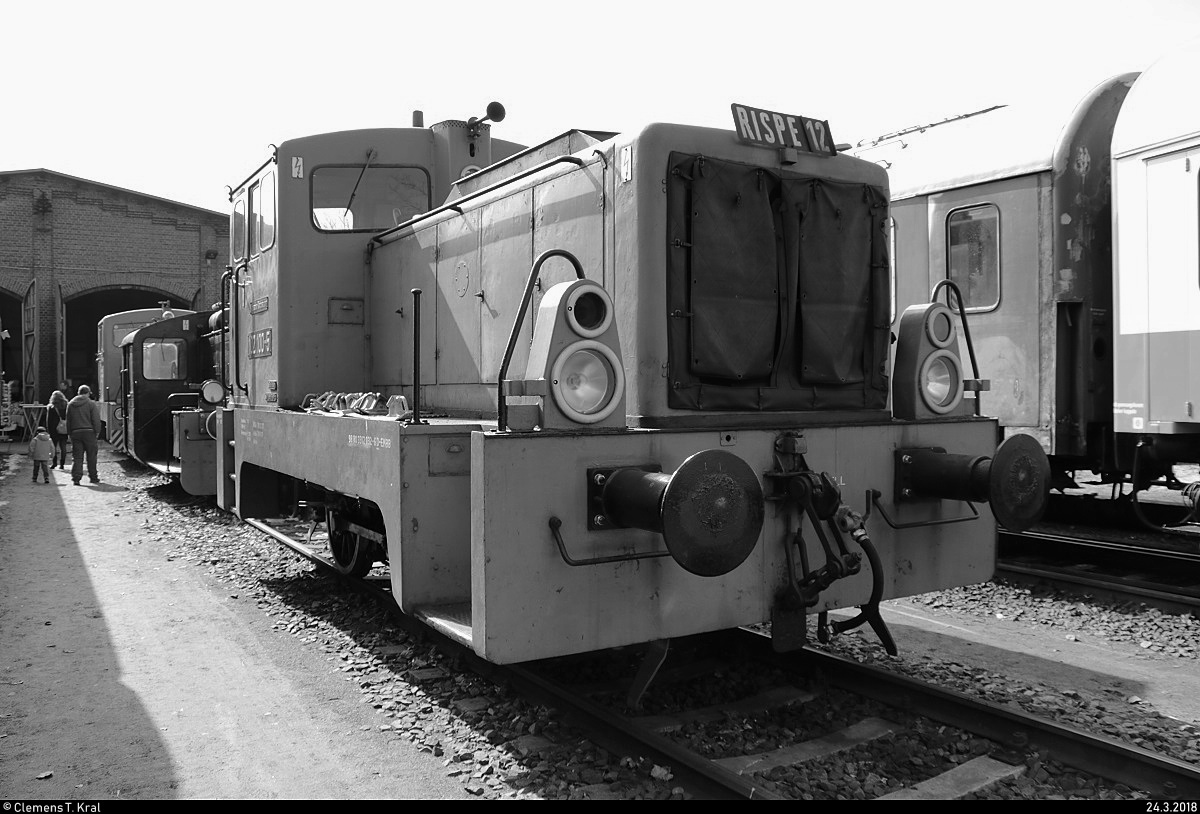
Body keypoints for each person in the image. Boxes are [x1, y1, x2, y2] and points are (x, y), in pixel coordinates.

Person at [66, 384, 103, 485]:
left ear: (78, 393)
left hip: (75, 433)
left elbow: (68, 420)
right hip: (89, 432)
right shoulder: (91, 404)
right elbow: (96, 419)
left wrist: (69, 433)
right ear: (88, 393)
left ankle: (76, 478)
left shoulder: (71, 404)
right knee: (91, 456)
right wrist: (97, 431)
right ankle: (93, 478)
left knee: (77, 457)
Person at [46, 389, 70, 469]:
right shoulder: (66, 405)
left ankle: (54, 463)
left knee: (54, 447)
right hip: (64, 429)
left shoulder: (51, 407)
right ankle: (62, 464)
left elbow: (48, 420)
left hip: (54, 429)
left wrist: (49, 431)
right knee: (63, 447)